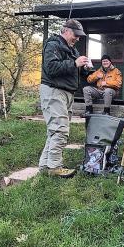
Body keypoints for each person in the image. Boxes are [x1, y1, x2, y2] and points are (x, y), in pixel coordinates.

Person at [39, 19, 89, 178]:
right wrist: (75, 63)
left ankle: (45, 167)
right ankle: (55, 168)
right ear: (66, 31)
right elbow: (52, 68)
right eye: (76, 35)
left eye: (80, 36)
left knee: (54, 131)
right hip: (54, 91)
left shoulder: (71, 49)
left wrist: (85, 69)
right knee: (60, 130)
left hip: (67, 93)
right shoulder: (52, 45)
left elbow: (72, 70)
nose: (78, 38)